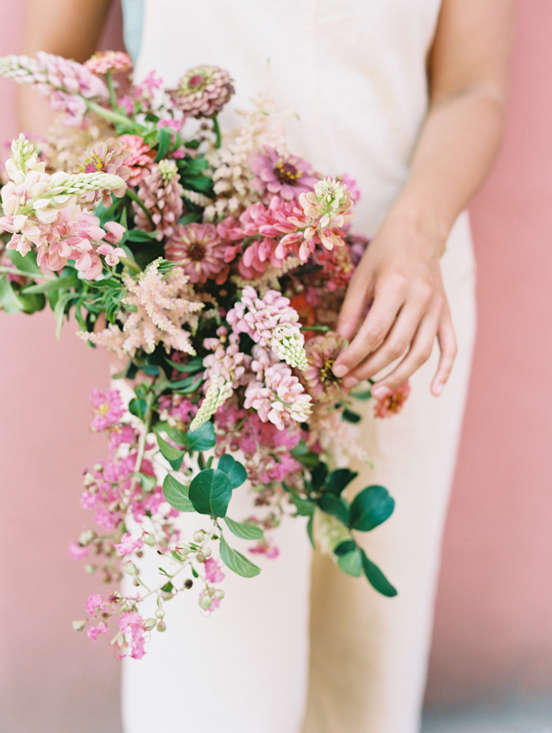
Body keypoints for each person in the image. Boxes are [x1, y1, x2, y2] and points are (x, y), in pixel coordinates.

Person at [18, 1, 514, 731]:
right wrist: (127, 266)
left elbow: (474, 83)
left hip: (395, 310)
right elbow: (52, 70)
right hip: (199, 332)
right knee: (209, 685)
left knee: (366, 673)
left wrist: (418, 234)